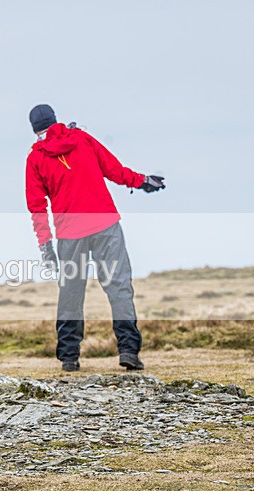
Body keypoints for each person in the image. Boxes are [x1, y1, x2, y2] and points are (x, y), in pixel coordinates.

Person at [24, 104, 166, 373]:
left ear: (34, 129)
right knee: (119, 286)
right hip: (105, 225)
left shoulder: (35, 159)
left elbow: (37, 207)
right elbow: (114, 170)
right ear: (56, 120)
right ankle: (128, 351)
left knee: (71, 294)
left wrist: (45, 245)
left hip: (69, 234)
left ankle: (69, 358)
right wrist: (143, 181)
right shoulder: (82, 139)